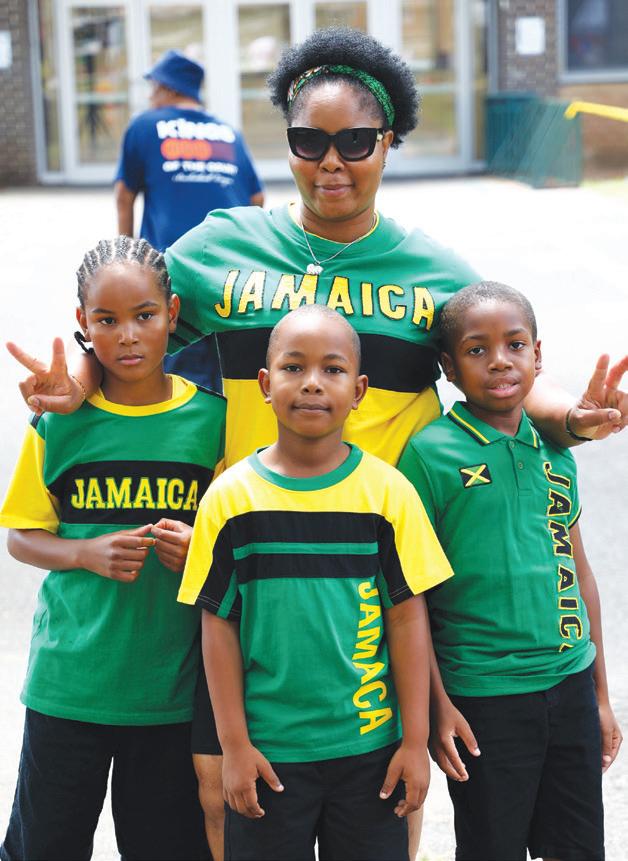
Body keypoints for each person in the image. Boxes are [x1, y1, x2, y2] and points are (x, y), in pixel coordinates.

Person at [10, 27, 628, 860]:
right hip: (247, 559)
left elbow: (496, 370)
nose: (331, 162)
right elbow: (134, 318)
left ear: (388, 143)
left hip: (372, 574)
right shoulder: (223, 246)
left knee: (384, 791)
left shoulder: (434, 271)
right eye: (309, 142)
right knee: (224, 794)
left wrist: (575, 415)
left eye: (355, 142)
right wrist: (78, 379)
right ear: (288, 144)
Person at [178, 304, 454, 860]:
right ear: (264, 384)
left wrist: (414, 741)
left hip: (371, 752)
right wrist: (235, 746)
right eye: (293, 367)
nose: (311, 383)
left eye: (332, 369)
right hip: (269, 755)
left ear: (359, 390)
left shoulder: (388, 494)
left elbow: (407, 619)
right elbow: (218, 627)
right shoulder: (230, 498)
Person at [0, 237, 226, 861]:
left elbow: (235, 541)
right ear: (83, 323)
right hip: (69, 684)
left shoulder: (212, 422)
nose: (127, 336)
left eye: (144, 316)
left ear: (172, 315)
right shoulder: (60, 420)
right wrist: (83, 553)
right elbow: (20, 535)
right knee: (45, 845)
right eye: (106, 320)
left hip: (169, 694)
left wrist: (200, 551)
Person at [397, 282, 623, 861]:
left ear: (537, 355)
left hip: (570, 684)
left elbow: (579, 570)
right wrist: (436, 706)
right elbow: (409, 593)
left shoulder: (556, 450)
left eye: (515, 345)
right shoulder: (429, 454)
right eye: (477, 350)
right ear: (448, 368)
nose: (499, 360)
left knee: (578, 847)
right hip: (483, 698)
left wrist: (599, 696)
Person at [115, 49, 264, 392]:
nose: (150, 97)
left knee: (178, 381)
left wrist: (125, 262)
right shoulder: (228, 133)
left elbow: (124, 196)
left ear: (168, 88)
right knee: (229, 376)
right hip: (234, 277)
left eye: (153, 88)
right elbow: (256, 199)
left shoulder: (145, 126)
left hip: (174, 275)